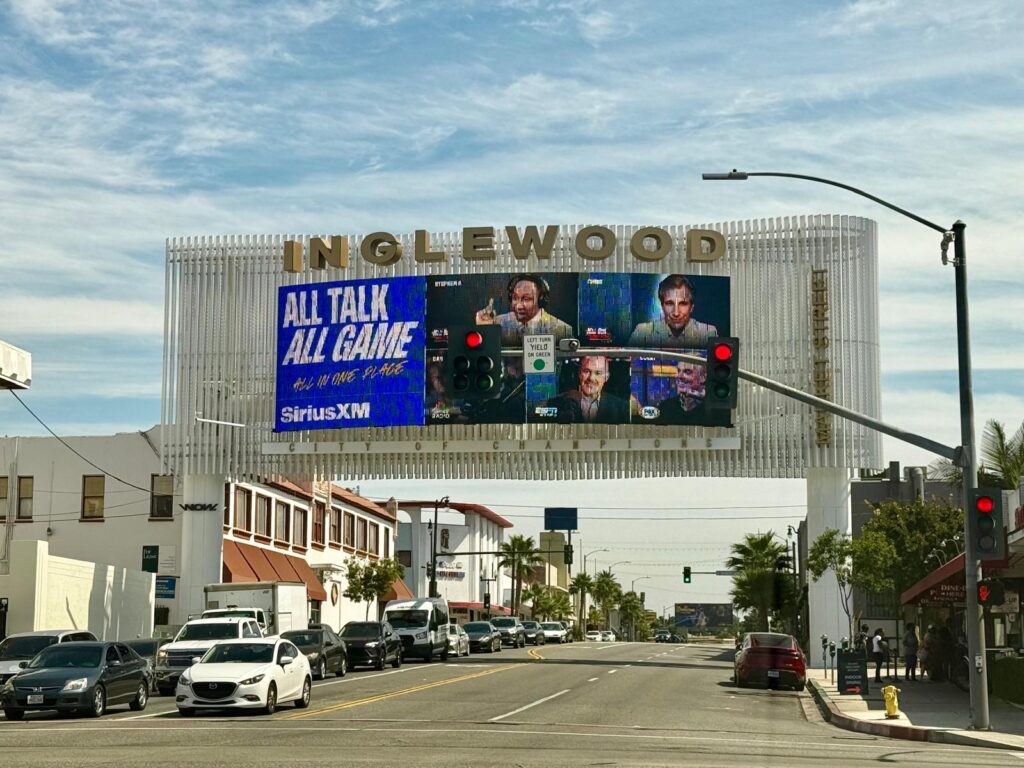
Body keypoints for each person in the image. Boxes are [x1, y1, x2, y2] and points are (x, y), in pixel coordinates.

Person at [475, 274, 573, 346]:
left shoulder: (562, 330)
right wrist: (484, 329)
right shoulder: (497, 324)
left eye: (526, 299)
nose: (518, 306)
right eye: (515, 298)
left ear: (541, 300)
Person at [628, 274, 718, 347]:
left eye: (683, 303)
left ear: (691, 307)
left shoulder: (707, 333)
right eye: (669, 303)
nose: (676, 313)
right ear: (662, 306)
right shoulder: (643, 332)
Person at [543, 356, 629, 424]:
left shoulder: (622, 408)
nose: (591, 378)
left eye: (598, 373)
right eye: (586, 371)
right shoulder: (555, 403)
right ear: (579, 373)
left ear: (606, 377)